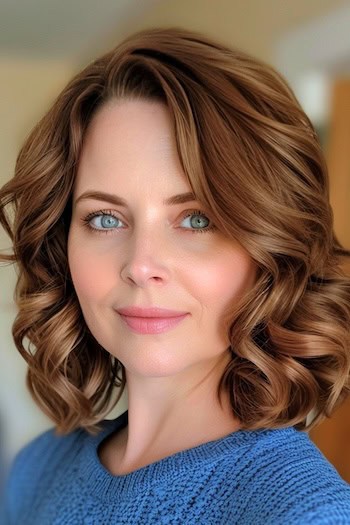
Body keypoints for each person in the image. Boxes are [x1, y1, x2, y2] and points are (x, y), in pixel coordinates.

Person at [0, 26, 350, 525]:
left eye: (197, 219)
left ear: (270, 247)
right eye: (105, 218)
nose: (141, 264)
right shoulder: (37, 469)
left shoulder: (300, 512)